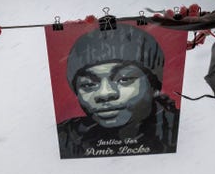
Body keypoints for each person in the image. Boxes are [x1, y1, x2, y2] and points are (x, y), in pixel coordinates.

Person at [57, 23, 180, 159]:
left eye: (124, 79)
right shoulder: (66, 138)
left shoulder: (178, 130)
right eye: (88, 84)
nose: (104, 93)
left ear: (153, 85)